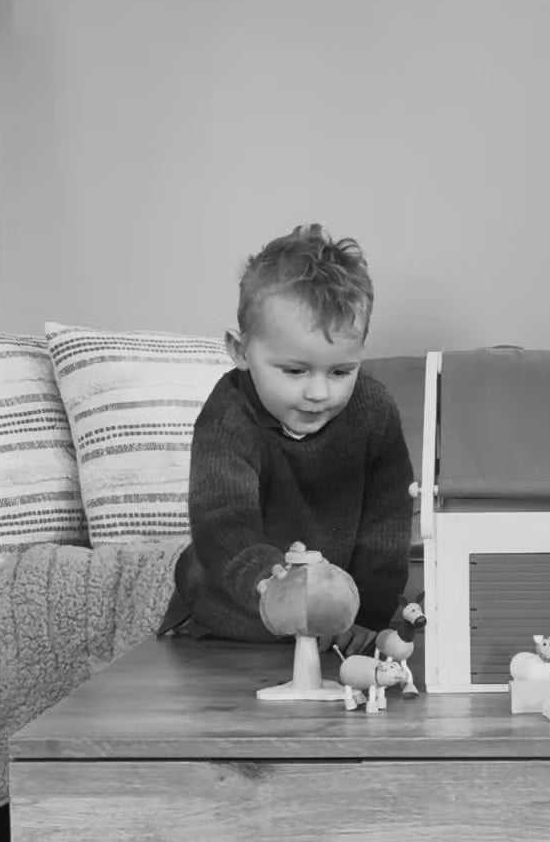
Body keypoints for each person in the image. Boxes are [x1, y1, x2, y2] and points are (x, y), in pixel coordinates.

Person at [160, 223, 413, 647]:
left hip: (336, 598)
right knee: (201, 576)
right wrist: (270, 582)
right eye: (295, 371)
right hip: (246, 596)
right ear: (240, 350)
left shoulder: (374, 410)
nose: (318, 393)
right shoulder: (227, 416)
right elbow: (223, 523)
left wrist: (366, 615)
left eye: (340, 371)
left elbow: (386, 528)